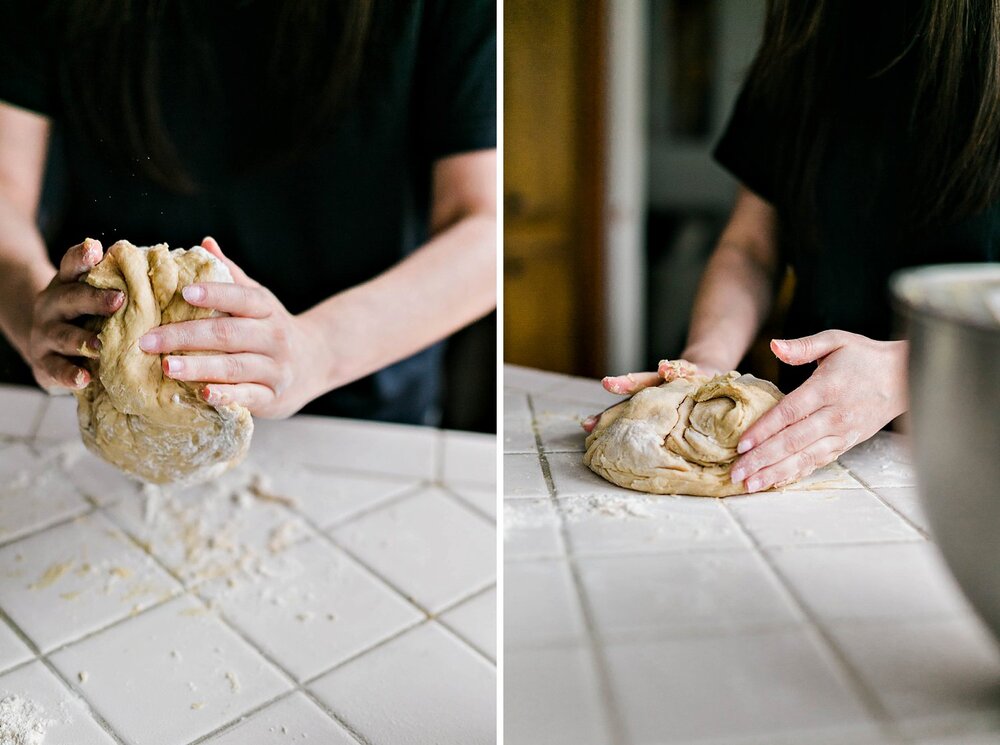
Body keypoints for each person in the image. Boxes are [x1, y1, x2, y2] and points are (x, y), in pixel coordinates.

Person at [0, 0, 496, 426]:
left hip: (357, 400)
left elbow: (484, 228)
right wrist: (28, 310)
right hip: (99, 392)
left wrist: (319, 349)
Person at [587, 0, 998, 492]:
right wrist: (706, 363)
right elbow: (750, 249)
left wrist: (906, 371)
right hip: (808, 450)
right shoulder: (806, 37)